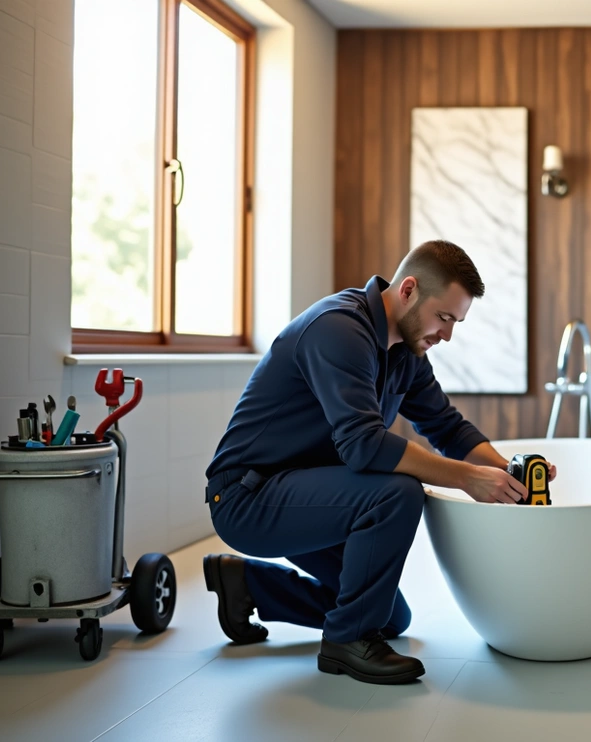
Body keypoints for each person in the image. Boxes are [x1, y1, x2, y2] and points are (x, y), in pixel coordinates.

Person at [200, 239, 556, 685]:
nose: (447, 334)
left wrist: (510, 471)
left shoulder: (405, 352)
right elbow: (364, 445)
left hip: (307, 492)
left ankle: (249, 586)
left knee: (390, 618)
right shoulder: (338, 330)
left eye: (456, 322)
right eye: (444, 317)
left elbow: (446, 428)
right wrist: (468, 479)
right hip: (248, 496)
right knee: (398, 492)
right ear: (408, 290)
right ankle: (346, 645)